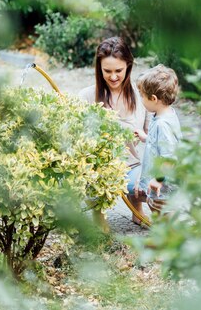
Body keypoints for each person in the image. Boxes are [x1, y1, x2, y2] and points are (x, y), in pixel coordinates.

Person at [78, 37, 150, 227]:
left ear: (128, 66)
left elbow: (151, 137)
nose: (113, 77)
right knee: (91, 181)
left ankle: (138, 211)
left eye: (118, 70)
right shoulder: (86, 96)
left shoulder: (139, 96)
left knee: (151, 186)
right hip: (97, 170)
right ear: (99, 69)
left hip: (130, 167)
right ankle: (98, 218)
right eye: (107, 71)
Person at [134, 64, 182, 214]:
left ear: (153, 99)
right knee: (156, 209)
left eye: (142, 96)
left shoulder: (163, 124)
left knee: (164, 213)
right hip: (159, 183)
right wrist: (146, 138)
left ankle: (169, 236)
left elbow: (169, 157)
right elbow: (162, 143)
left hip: (163, 185)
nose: (141, 99)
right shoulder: (165, 115)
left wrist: (158, 179)